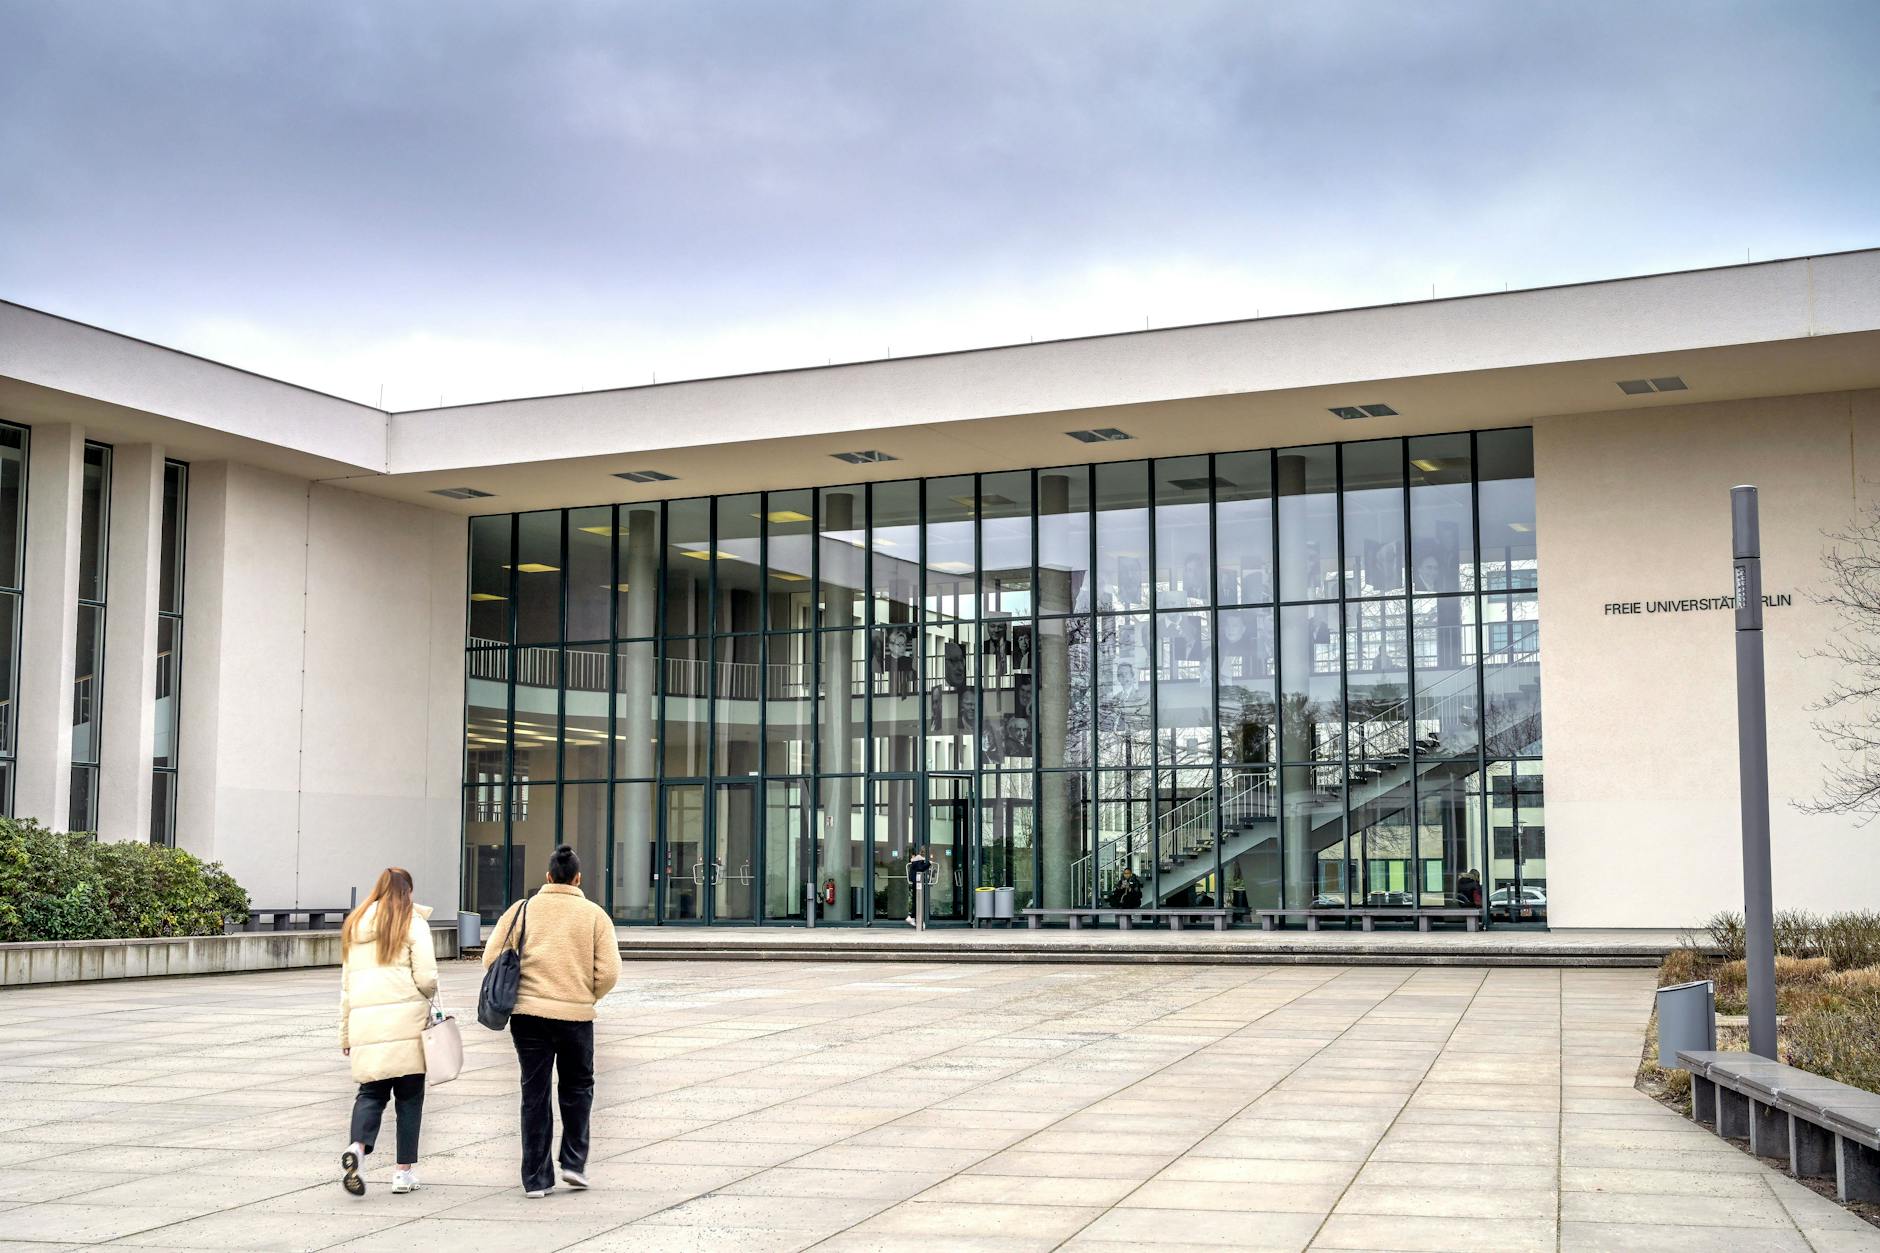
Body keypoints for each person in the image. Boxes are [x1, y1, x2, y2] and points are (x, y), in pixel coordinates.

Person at [483, 844, 621, 1197]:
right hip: (575, 1016)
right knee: (577, 1087)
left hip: (528, 1016)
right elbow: (608, 972)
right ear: (578, 878)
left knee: (535, 1092)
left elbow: (491, 959)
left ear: (547, 877)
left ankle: (536, 1179)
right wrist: (586, 994)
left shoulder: (522, 910)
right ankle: (574, 1163)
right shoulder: (594, 915)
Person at [338, 867, 438, 1198]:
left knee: (371, 1093)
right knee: (409, 1098)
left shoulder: (354, 926)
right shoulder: (413, 923)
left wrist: (345, 1035)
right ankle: (403, 1173)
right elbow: (427, 978)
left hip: (366, 1025)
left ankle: (357, 1148)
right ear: (407, 891)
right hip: (406, 1023)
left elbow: (346, 987)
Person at [906, 846, 933, 928]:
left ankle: (915, 918)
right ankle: (913, 917)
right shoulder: (919, 859)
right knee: (917, 900)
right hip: (917, 882)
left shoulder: (918, 859)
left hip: (916, 882)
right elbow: (920, 868)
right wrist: (929, 863)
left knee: (917, 900)